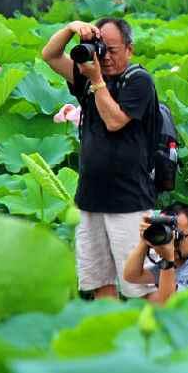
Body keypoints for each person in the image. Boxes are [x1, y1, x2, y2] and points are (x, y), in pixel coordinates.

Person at [41, 17, 158, 300]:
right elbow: (50, 55)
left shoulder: (139, 81)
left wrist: (96, 81)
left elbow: (115, 121)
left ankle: (164, 339)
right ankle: (112, 338)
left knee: (141, 284)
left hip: (129, 200)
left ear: (129, 49)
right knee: (99, 280)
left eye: (112, 50)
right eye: (100, 48)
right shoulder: (86, 77)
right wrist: (70, 28)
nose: (104, 57)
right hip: (90, 199)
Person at [122, 202, 188, 304]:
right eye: (168, 234)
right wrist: (144, 240)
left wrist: (167, 260)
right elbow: (132, 275)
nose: (172, 242)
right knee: (150, 298)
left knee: (153, 299)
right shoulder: (178, 261)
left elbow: (169, 304)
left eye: (178, 236)